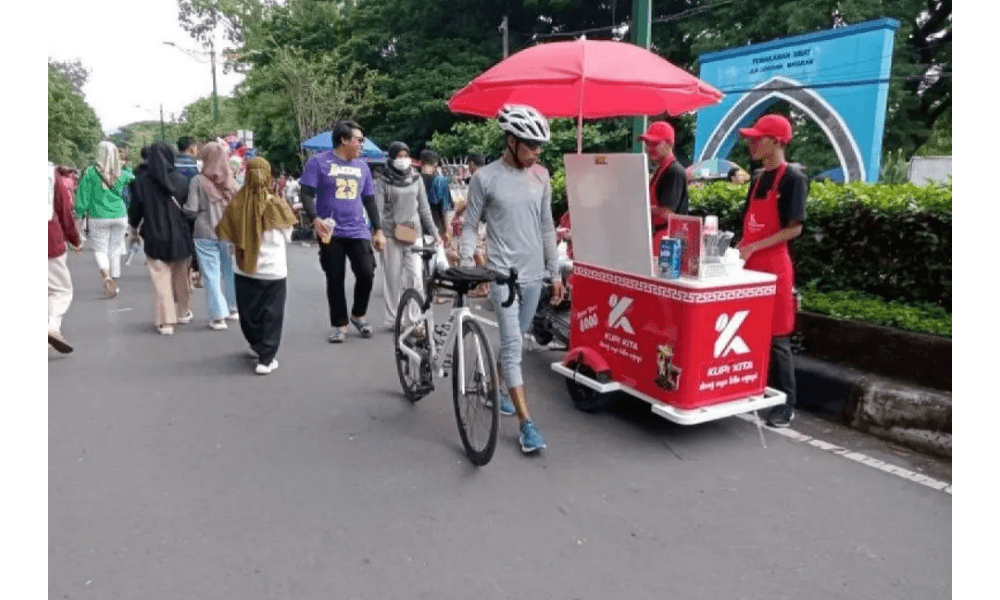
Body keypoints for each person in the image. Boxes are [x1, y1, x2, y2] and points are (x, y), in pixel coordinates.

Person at [460, 104, 565, 454]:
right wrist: (466, 264)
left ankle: (493, 388)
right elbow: (470, 224)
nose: (537, 152)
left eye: (539, 146)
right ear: (510, 141)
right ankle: (527, 425)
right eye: (531, 145)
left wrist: (555, 272)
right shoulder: (484, 178)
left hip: (534, 275)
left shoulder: (542, 176)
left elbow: (547, 226)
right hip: (502, 273)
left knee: (516, 339)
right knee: (513, 347)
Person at [736, 113, 808, 428]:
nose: (751, 143)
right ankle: (752, 390)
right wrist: (739, 247)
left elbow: (795, 229)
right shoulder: (756, 177)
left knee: (778, 339)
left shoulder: (793, 178)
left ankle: (786, 405)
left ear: (775, 141)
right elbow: (749, 224)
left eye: (757, 138)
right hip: (749, 263)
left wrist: (755, 246)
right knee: (750, 332)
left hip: (775, 267)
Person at [300, 119, 385, 343]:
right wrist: (314, 218)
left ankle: (358, 314)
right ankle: (340, 325)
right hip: (330, 230)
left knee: (366, 273)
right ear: (344, 140)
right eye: (358, 140)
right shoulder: (319, 162)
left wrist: (378, 230)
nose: (361, 144)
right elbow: (306, 193)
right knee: (335, 277)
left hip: (358, 229)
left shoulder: (363, 166)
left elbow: (369, 200)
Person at [216, 157, 298, 374]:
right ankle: (266, 358)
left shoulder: (237, 204)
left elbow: (226, 236)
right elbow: (288, 235)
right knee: (272, 314)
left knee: (249, 313)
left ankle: (256, 344)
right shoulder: (277, 205)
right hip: (274, 270)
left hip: (244, 268)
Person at [128, 140, 195, 335]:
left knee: (161, 278)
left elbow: (136, 211)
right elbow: (189, 211)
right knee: (181, 276)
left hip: (154, 235)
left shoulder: (141, 182)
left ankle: (166, 322)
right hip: (180, 235)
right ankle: (182, 312)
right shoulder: (182, 181)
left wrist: (133, 227)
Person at [377, 141, 440, 329]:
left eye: (406, 155)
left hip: (414, 233)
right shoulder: (383, 181)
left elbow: (424, 208)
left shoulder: (416, 179)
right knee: (392, 278)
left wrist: (435, 232)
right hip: (391, 234)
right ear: (392, 157)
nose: (403, 160)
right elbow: (378, 210)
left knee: (415, 277)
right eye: (399, 156)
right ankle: (393, 318)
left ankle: (415, 319)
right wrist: (377, 232)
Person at [184, 141, 240, 330]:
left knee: (211, 274)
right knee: (230, 272)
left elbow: (191, 209)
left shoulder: (197, 181)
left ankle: (218, 317)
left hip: (205, 232)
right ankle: (233, 309)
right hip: (229, 234)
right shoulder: (233, 181)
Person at [74, 141, 133, 297]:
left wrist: (79, 214)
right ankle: (114, 280)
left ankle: (106, 276)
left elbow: (83, 198)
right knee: (115, 249)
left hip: (98, 216)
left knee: (101, 250)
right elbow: (132, 178)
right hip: (120, 215)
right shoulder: (122, 173)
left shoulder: (91, 173)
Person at [638, 121, 689, 256]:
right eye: (648, 144)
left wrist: (641, 208)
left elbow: (667, 214)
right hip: (658, 236)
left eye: (655, 144)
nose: (649, 148)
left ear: (669, 144)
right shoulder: (661, 170)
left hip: (669, 241)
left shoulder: (674, 171)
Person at [49, 163, 83, 354]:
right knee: (61, 290)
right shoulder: (50, 174)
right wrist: (74, 238)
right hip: (49, 239)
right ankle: (52, 327)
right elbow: (63, 211)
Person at [419, 149, 454, 242]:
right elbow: (445, 208)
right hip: (435, 228)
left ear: (421, 163)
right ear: (435, 164)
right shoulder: (441, 182)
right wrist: (447, 230)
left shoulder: (413, 180)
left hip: (415, 230)